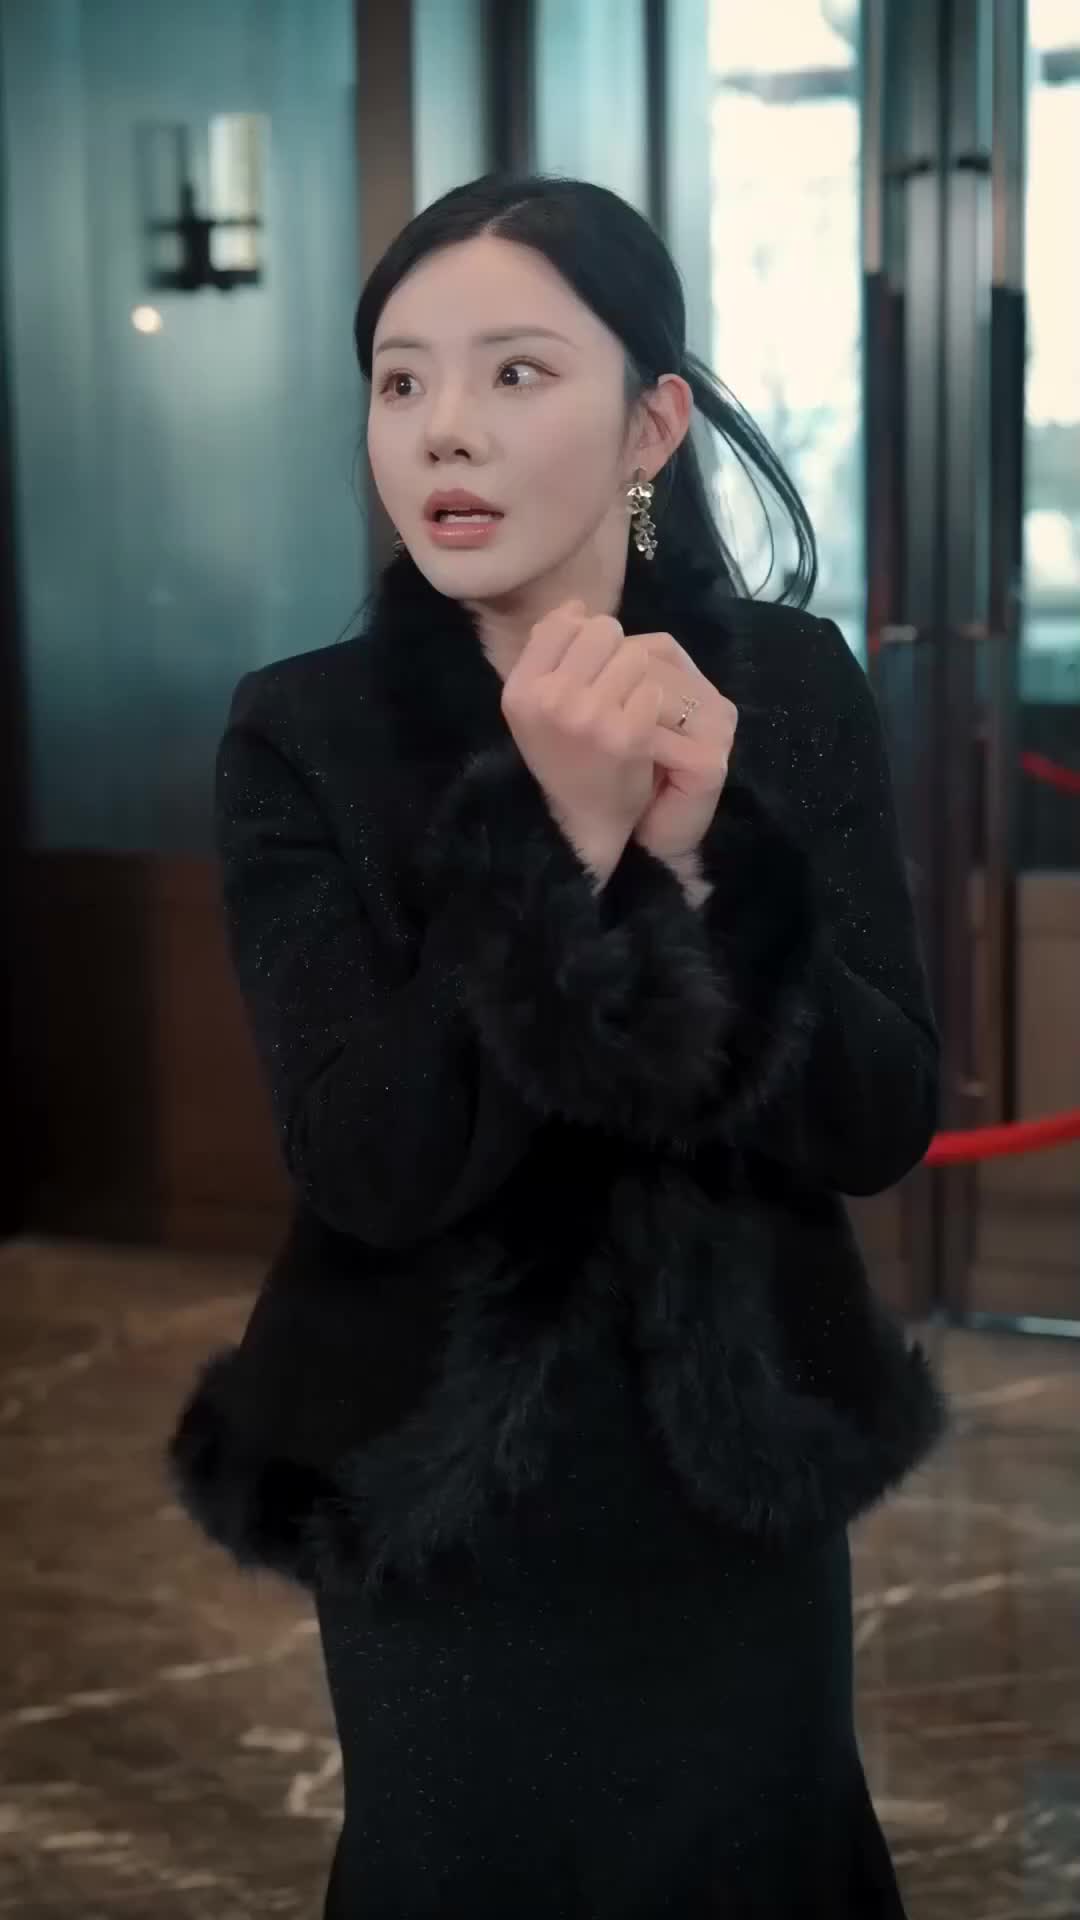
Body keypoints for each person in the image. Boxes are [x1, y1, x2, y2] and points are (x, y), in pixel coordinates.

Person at [168, 174, 948, 1917]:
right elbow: (365, 1160)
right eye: (401, 380)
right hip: (433, 1484)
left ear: (651, 424)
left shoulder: (788, 691)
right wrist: (557, 842)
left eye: (515, 373)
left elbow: (882, 1114)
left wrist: (706, 860)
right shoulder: (303, 733)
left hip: (739, 1468)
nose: (444, 428)